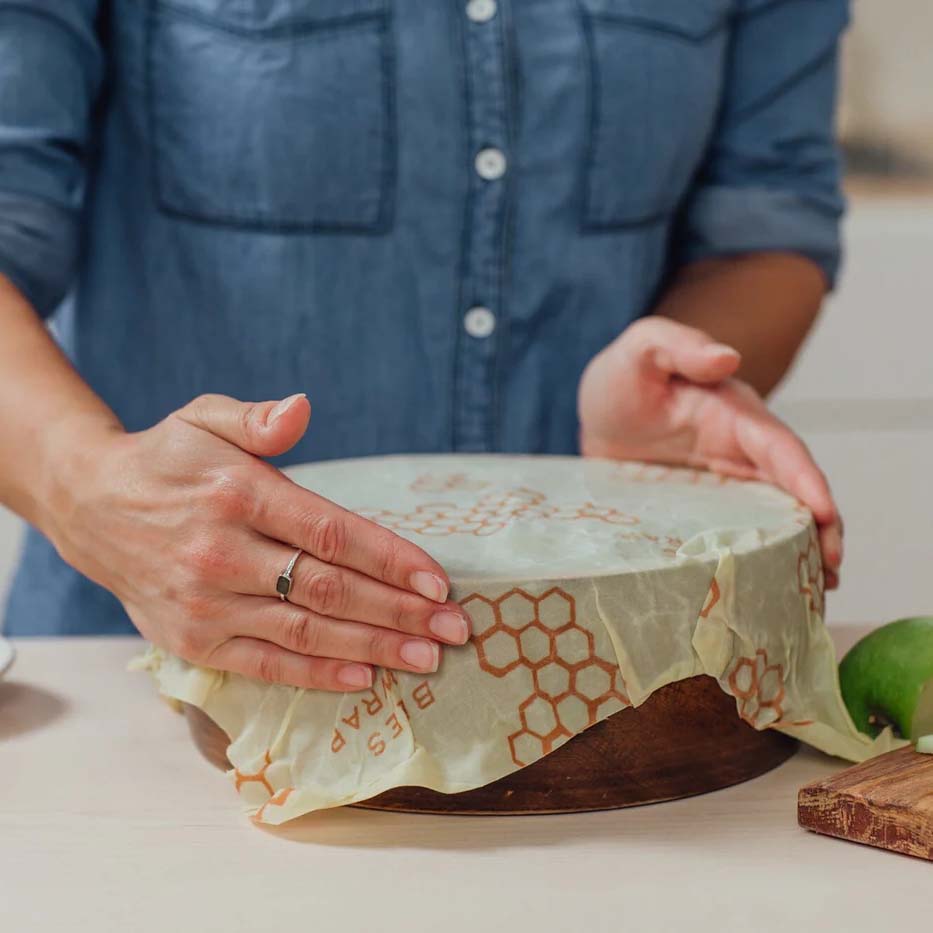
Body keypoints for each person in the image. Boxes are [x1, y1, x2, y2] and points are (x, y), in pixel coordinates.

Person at [0, 0, 846, 691]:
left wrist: (686, 372)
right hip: (142, 679)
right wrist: (90, 489)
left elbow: (766, 220)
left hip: (605, 689)